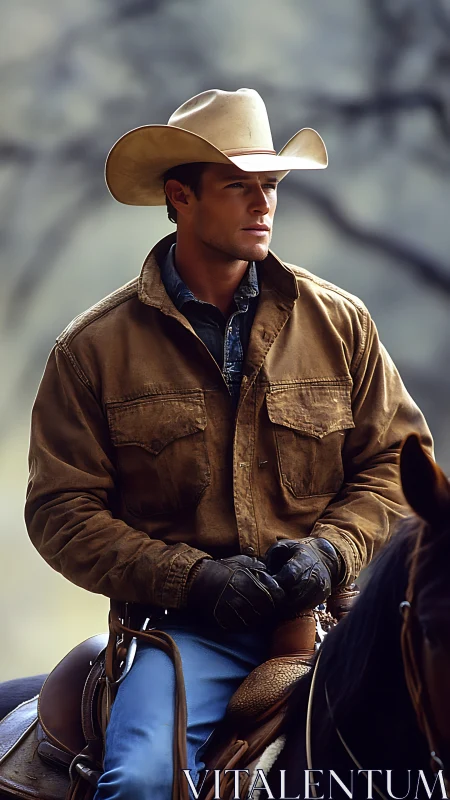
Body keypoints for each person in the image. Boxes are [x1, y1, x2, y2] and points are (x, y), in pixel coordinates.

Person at [25, 88, 433, 799]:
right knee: (139, 782)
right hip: (184, 636)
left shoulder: (341, 324)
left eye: (270, 186)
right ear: (180, 196)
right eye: (239, 186)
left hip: (345, 622)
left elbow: (398, 470)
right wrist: (193, 579)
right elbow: (62, 513)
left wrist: (331, 552)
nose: (263, 204)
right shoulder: (92, 350)